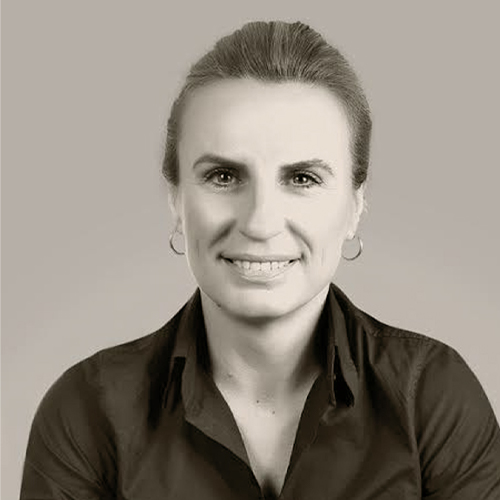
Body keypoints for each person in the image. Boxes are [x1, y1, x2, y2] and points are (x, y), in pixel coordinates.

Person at [20, 20, 500, 500]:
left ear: (355, 205)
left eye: (303, 178)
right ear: (176, 200)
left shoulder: (431, 397)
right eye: (224, 176)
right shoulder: (87, 413)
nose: (260, 222)